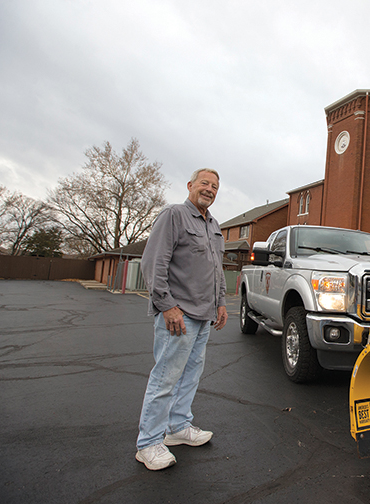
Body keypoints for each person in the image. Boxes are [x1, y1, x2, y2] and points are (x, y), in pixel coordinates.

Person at [135, 168, 228, 471]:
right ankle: (149, 442)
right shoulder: (174, 215)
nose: (210, 189)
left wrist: (222, 303)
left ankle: (177, 427)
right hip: (179, 314)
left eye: (214, 186)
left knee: (190, 375)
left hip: (204, 316)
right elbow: (153, 262)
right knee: (166, 377)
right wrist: (167, 306)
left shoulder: (214, 225)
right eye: (204, 183)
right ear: (190, 185)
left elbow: (217, 269)